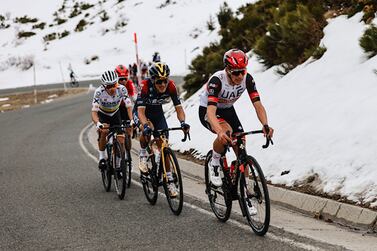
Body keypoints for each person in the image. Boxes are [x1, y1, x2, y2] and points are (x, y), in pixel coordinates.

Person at [198, 48, 274, 187]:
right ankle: (214, 163)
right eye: (236, 72)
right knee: (226, 132)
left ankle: (244, 191)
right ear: (227, 69)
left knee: (241, 149)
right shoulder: (217, 80)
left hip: (227, 110)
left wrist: (265, 124)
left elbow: (258, 105)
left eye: (242, 71)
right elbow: (210, 112)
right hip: (208, 110)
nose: (240, 76)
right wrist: (219, 131)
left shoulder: (248, 79)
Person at [137, 62, 190, 197]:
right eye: (159, 81)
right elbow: (141, 113)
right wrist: (146, 126)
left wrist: (183, 122)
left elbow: (179, 108)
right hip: (143, 113)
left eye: (165, 81)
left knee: (164, 147)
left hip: (158, 114)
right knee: (146, 129)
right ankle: (143, 154)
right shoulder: (145, 86)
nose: (162, 84)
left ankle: (169, 180)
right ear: (153, 80)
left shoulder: (171, 86)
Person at [91, 70, 132, 171]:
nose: (112, 88)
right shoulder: (98, 92)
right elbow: (94, 112)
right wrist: (98, 123)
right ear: (104, 86)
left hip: (115, 113)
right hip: (103, 114)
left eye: (114, 84)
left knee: (121, 138)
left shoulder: (122, 89)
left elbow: (128, 106)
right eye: (109, 86)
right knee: (104, 131)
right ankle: (101, 157)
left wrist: (131, 120)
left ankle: (117, 164)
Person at [115, 65, 136, 153]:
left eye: (125, 79)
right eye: (120, 79)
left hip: (127, 108)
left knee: (128, 130)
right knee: (117, 129)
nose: (123, 81)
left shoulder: (130, 84)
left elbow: (133, 98)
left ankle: (128, 152)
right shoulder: (113, 85)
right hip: (116, 108)